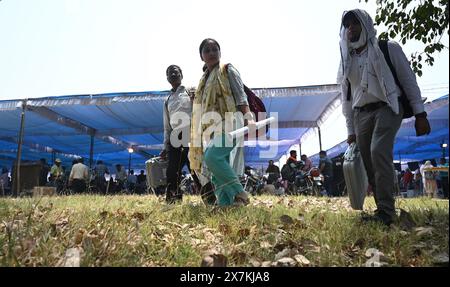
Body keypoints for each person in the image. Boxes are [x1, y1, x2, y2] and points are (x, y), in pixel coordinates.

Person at [338, 9, 431, 225]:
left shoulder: (387, 48)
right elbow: (347, 99)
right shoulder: (346, 60)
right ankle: (382, 209)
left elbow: (408, 80)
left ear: (365, 24)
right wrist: (350, 130)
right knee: (370, 162)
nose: (351, 28)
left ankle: (387, 213)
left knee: (378, 151)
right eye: (348, 25)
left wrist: (420, 114)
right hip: (361, 114)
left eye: (355, 23)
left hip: (388, 107)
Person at [189, 38, 255, 207]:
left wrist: (249, 117)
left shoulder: (227, 70)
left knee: (212, 157)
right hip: (211, 128)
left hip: (230, 121)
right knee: (217, 171)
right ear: (201, 56)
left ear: (220, 52)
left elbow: (241, 96)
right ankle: (225, 206)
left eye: (214, 49)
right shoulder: (203, 80)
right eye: (207, 50)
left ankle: (240, 192)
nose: (211, 53)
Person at [160, 65, 197, 203]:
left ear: (182, 75)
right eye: (170, 73)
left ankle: (209, 199)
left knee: (196, 169)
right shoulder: (167, 100)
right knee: (172, 171)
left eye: (176, 72)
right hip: (175, 137)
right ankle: (173, 201)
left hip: (191, 134)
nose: (173, 74)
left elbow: (201, 110)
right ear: (167, 78)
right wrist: (165, 146)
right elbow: (166, 126)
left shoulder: (191, 91)